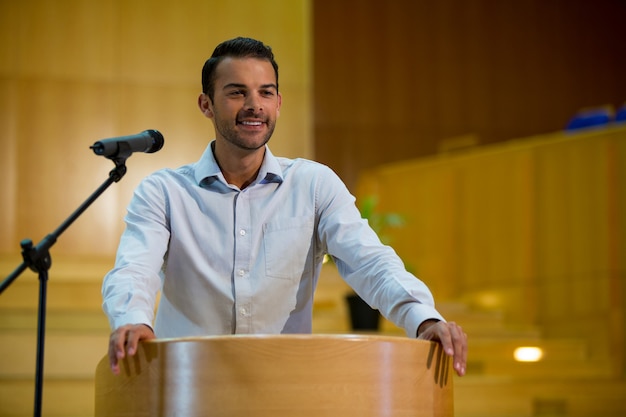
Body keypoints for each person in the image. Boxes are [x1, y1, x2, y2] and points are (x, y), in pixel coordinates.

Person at [102, 37, 467, 376]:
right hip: (186, 385)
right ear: (206, 105)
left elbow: (371, 263)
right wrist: (133, 319)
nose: (254, 105)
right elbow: (134, 269)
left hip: (285, 389)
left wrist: (424, 320)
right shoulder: (163, 192)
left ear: (278, 103)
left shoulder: (313, 185)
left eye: (266, 92)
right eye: (236, 92)